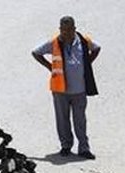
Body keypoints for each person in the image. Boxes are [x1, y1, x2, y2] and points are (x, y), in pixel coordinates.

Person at [32, 16, 101, 160]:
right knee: (62, 119)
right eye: (63, 30)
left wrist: (87, 63)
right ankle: (66, 146)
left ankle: (84, 148)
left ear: (74, 29)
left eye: (69, 30)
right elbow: (36, 52)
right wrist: (49, 67)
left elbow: (96, 48)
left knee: (80, 120)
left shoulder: (83, 40)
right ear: (60, 29)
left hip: (79, 89)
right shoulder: (54, 42)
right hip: (60, 90)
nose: (66, 33)